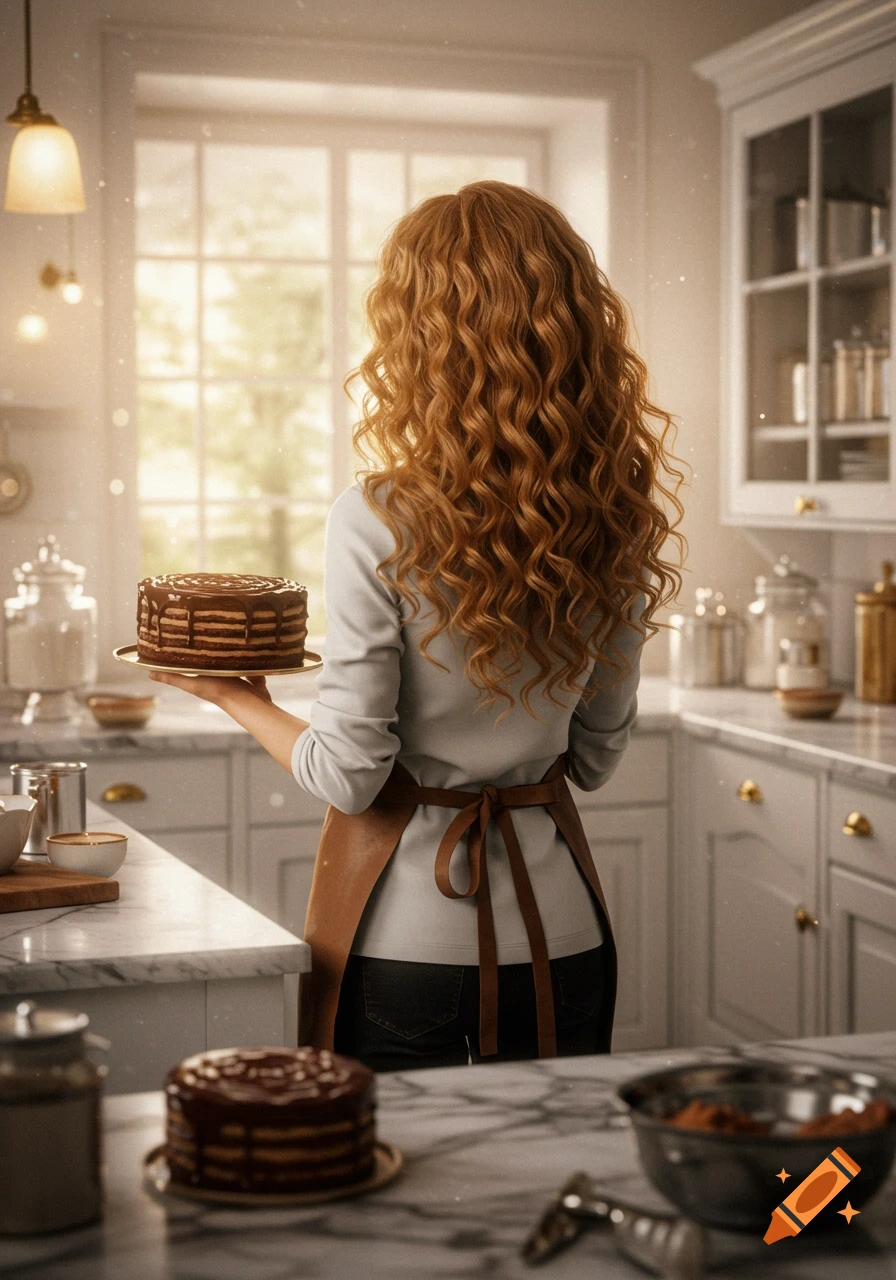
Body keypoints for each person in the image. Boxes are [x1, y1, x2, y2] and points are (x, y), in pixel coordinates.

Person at [150, 180, 685, 1073]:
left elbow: (348, 776)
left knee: (402, 1198)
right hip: (566, 941)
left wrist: (235, 697)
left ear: (417, 338)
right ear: (576, 328)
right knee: (551, 1184)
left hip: (407, 951)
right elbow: (593, 758)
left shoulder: (377, 517)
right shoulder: (616, 516)